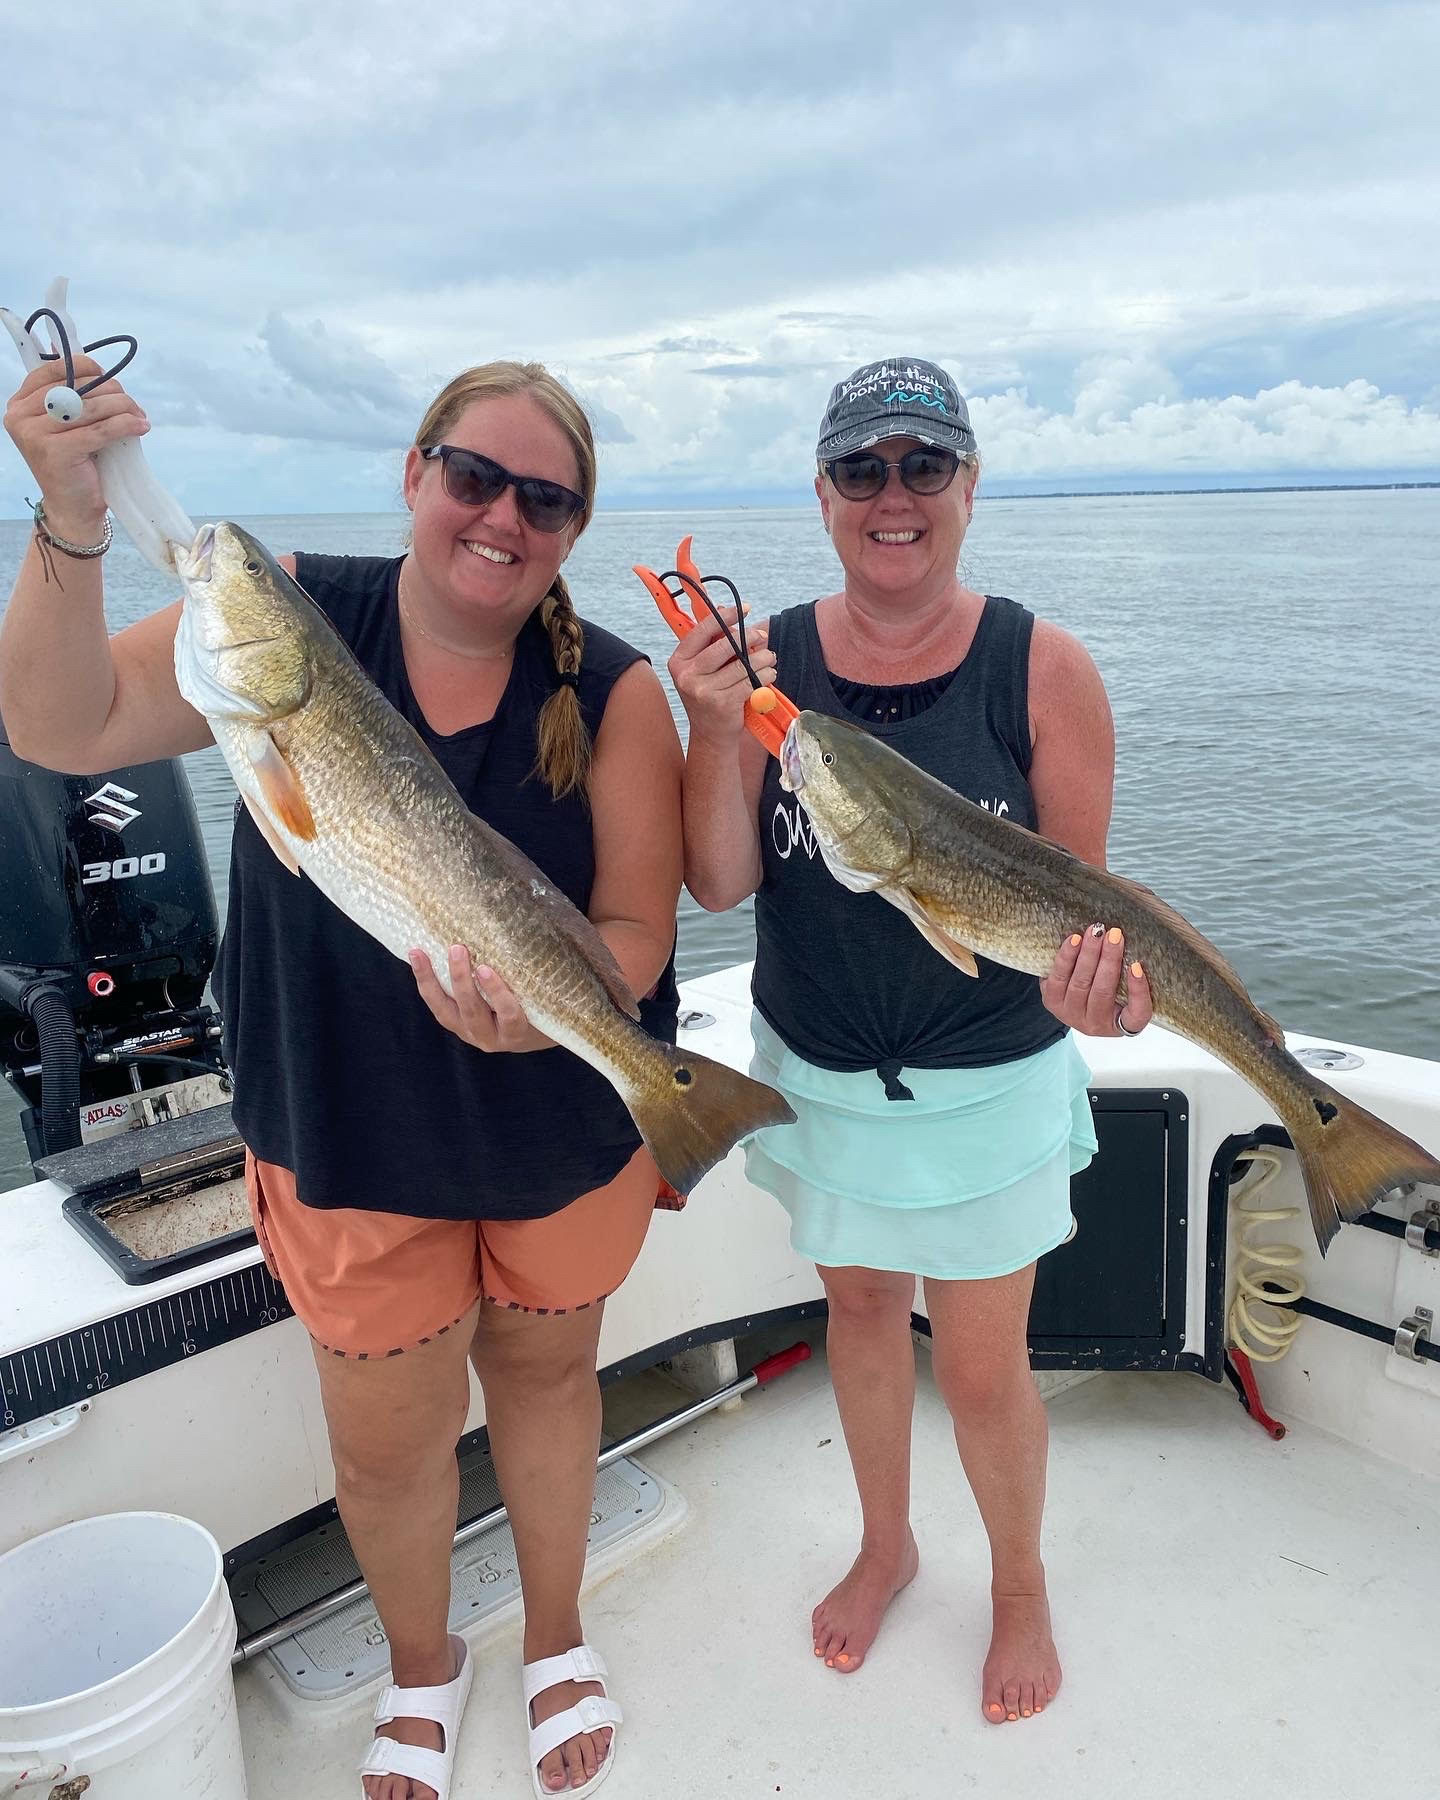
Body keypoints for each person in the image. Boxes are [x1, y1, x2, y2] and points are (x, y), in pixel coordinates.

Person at [1, 351, 686, 1800]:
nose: (502, 516)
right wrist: (68, 522)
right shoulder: (295, 615)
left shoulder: (616, 691)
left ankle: (556, 1635)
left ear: (574, 528)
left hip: (558, 1117)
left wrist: (546, 1020)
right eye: (474, 475)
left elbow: (637, 931)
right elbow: (60, 729)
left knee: (551, 1386)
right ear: (416, 472)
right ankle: (422, 1667)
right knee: (387, 1450)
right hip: (344, 1121)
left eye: (546, 499)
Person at [670, 357, 1154, 1728]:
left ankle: (1018, 1585)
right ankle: (886, 1546)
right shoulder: (764, 667)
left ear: (969, 485)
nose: (894, 495)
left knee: (986, 1365)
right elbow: (720, 881)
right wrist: (711, 725)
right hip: (822, 1075)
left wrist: (1098, 992)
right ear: (823, 495)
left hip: (988, 1085)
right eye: (862, 469)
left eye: (923, 465)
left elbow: (1082, 907)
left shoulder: (1043, 669)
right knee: (863, 1316)